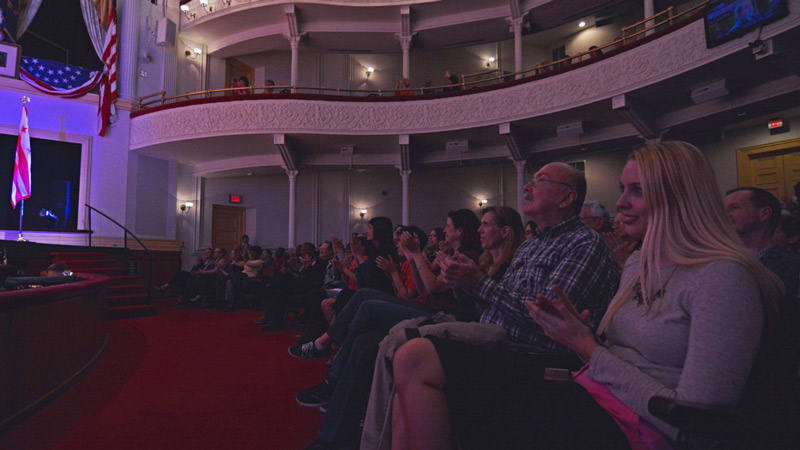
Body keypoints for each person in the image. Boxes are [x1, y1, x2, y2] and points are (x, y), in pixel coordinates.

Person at [390, 141, 783, 450]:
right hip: (592, 389)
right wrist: (583, 338)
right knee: (413, 364)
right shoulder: (638, 266)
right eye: (621, 190)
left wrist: (588, 348)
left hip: (638, 427)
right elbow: (605, 351)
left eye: (637, 192)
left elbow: (697, 421)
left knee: (439, 379)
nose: (621, 203)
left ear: (679, 198)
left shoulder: (724, 278)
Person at [298, 208, 523, 450]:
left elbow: (432, 288)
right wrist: (416, 257)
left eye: (487, 224)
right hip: (428, 308)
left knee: (366, 302)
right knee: (365, 341)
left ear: (460, 230)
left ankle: (327, 357)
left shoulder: (474, 257)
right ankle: (334, 437)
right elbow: (427, 289)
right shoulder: (480, 260)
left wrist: (415, 257)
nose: (480, 229)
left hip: (443, 317)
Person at [725, 187, 800, 298]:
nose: (725, 216)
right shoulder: (723, 261)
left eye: (734, 208)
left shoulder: (792, 266)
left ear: (764, 213)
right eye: (723, 210)